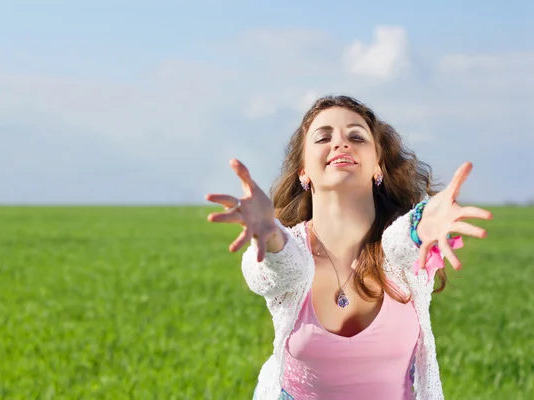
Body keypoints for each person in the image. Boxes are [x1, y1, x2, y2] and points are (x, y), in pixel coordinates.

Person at [205, 95, 493, 400]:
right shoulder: (290, 255)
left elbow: (401, 243)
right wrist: (268, 234)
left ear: (377, 167)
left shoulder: (400, 254)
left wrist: (420, 225)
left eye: (356, 136)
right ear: (303, 170)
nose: (341, 143)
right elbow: (274, 269)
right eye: (324, 137)